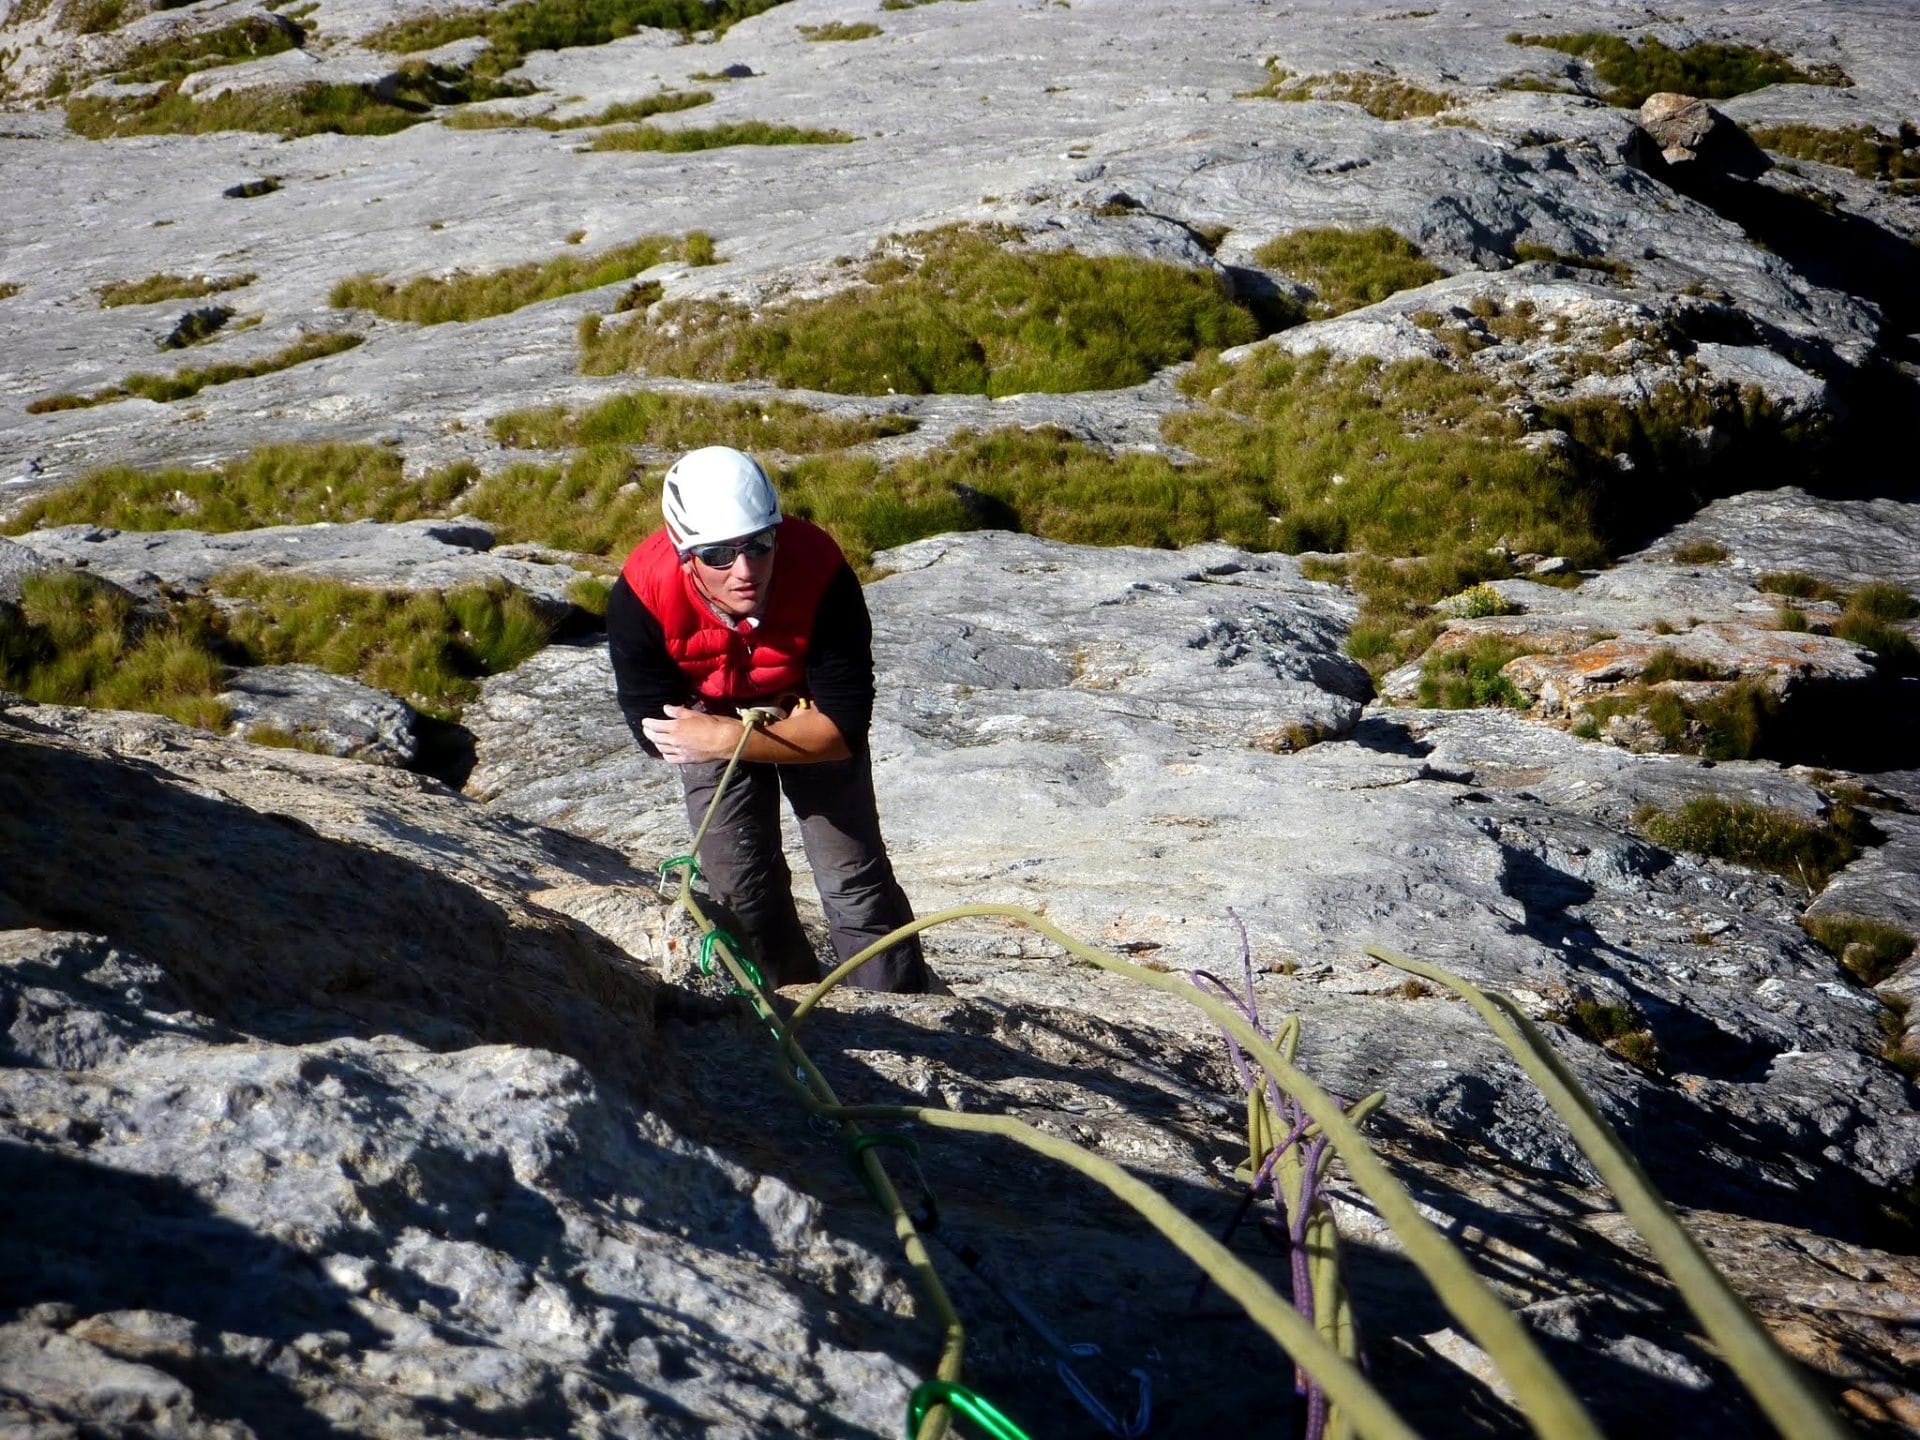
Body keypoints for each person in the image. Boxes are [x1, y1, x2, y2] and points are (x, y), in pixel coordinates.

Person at [607, 445, 930, 993]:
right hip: (711, 719)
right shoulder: (643, 592)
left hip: (801, 712)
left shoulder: (820, 571)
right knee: (740, 888)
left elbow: (843, 729)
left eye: (759, 544)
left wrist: (730, 736)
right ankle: (784, 1006)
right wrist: (718, 734)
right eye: (717, 555)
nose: (744, 570)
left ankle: (901, 1011)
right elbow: (653, 724)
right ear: (684, 552)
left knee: (854, 883)